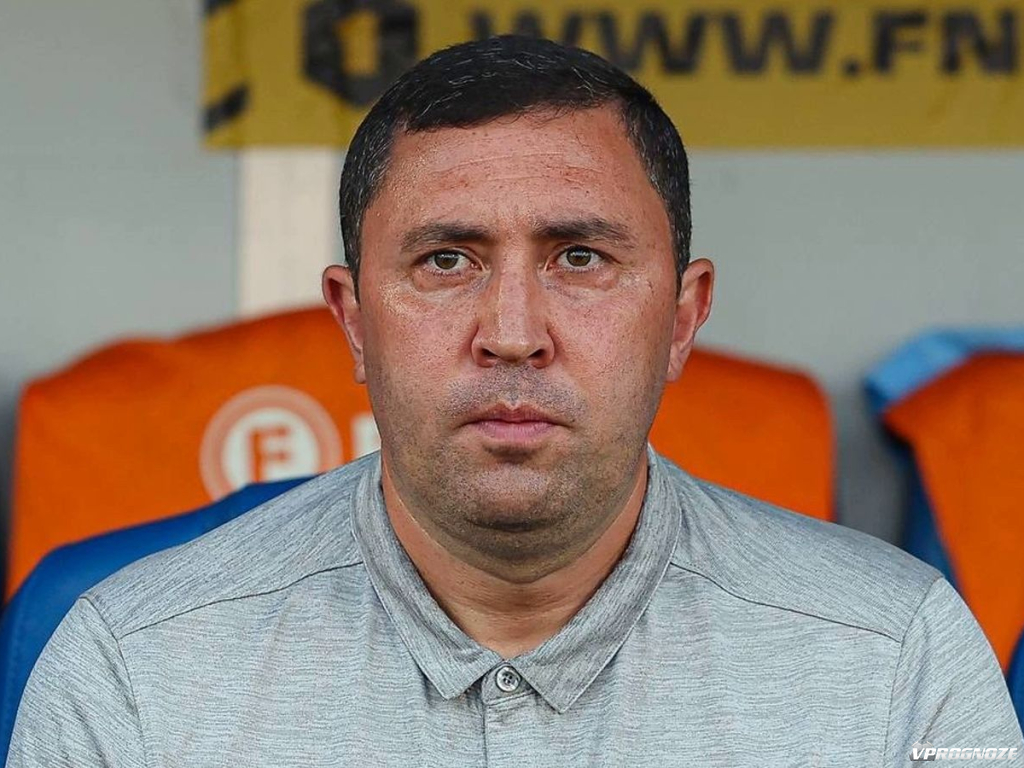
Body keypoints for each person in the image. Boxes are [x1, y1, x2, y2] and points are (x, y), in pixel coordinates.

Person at [8, 35, 1022, 767]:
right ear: (353, 321)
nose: (511, 331)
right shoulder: (134, 663)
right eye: (446, 260)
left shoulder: (897, 655)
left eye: (579, 257)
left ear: (682, 317)